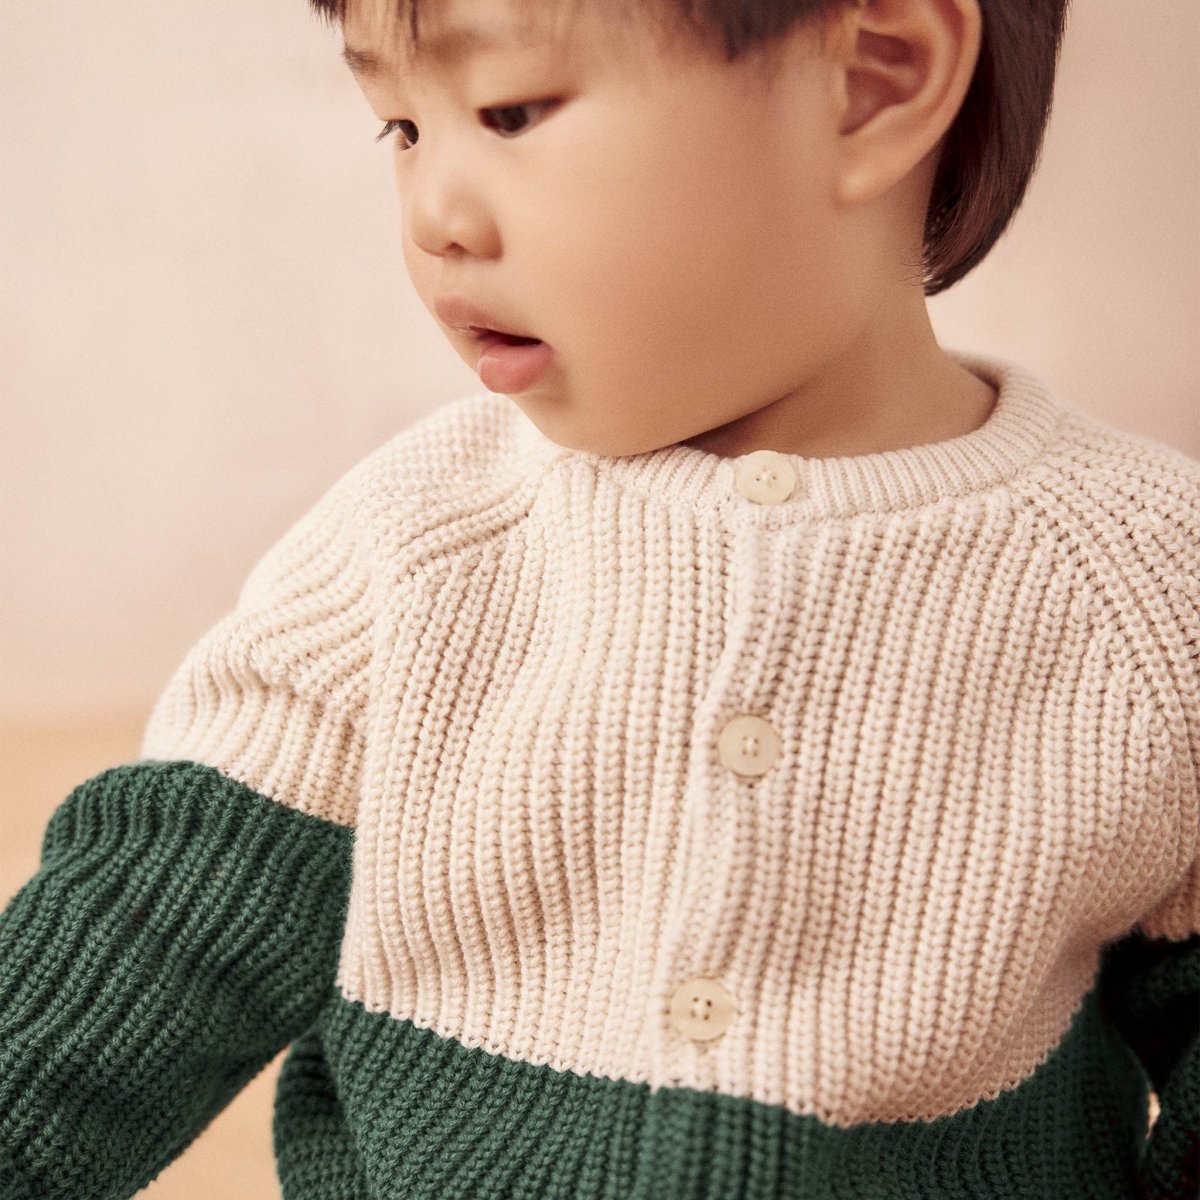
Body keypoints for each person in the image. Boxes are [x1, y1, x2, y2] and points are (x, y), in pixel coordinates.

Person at [1, 0, 1196, 1196]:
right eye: (402, 128)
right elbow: (134, 939)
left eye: (509, 111)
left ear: (874, 81)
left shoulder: (1145, 586)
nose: (434, 216)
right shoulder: (411, 548)